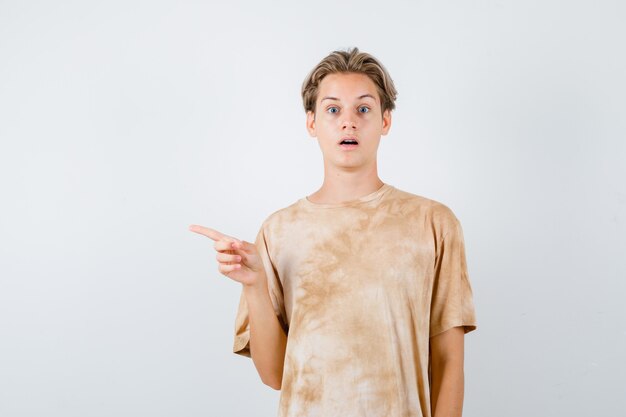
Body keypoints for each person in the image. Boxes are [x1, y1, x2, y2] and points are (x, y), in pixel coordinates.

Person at [189, 46, 478, 417]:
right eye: (332, 109)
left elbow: (449, 361)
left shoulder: (433, 223)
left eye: (363, 108)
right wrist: (255, 286)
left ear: (385, 120)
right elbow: (275, 375)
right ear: (311, 123)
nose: (348, 122)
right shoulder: (279, 231)